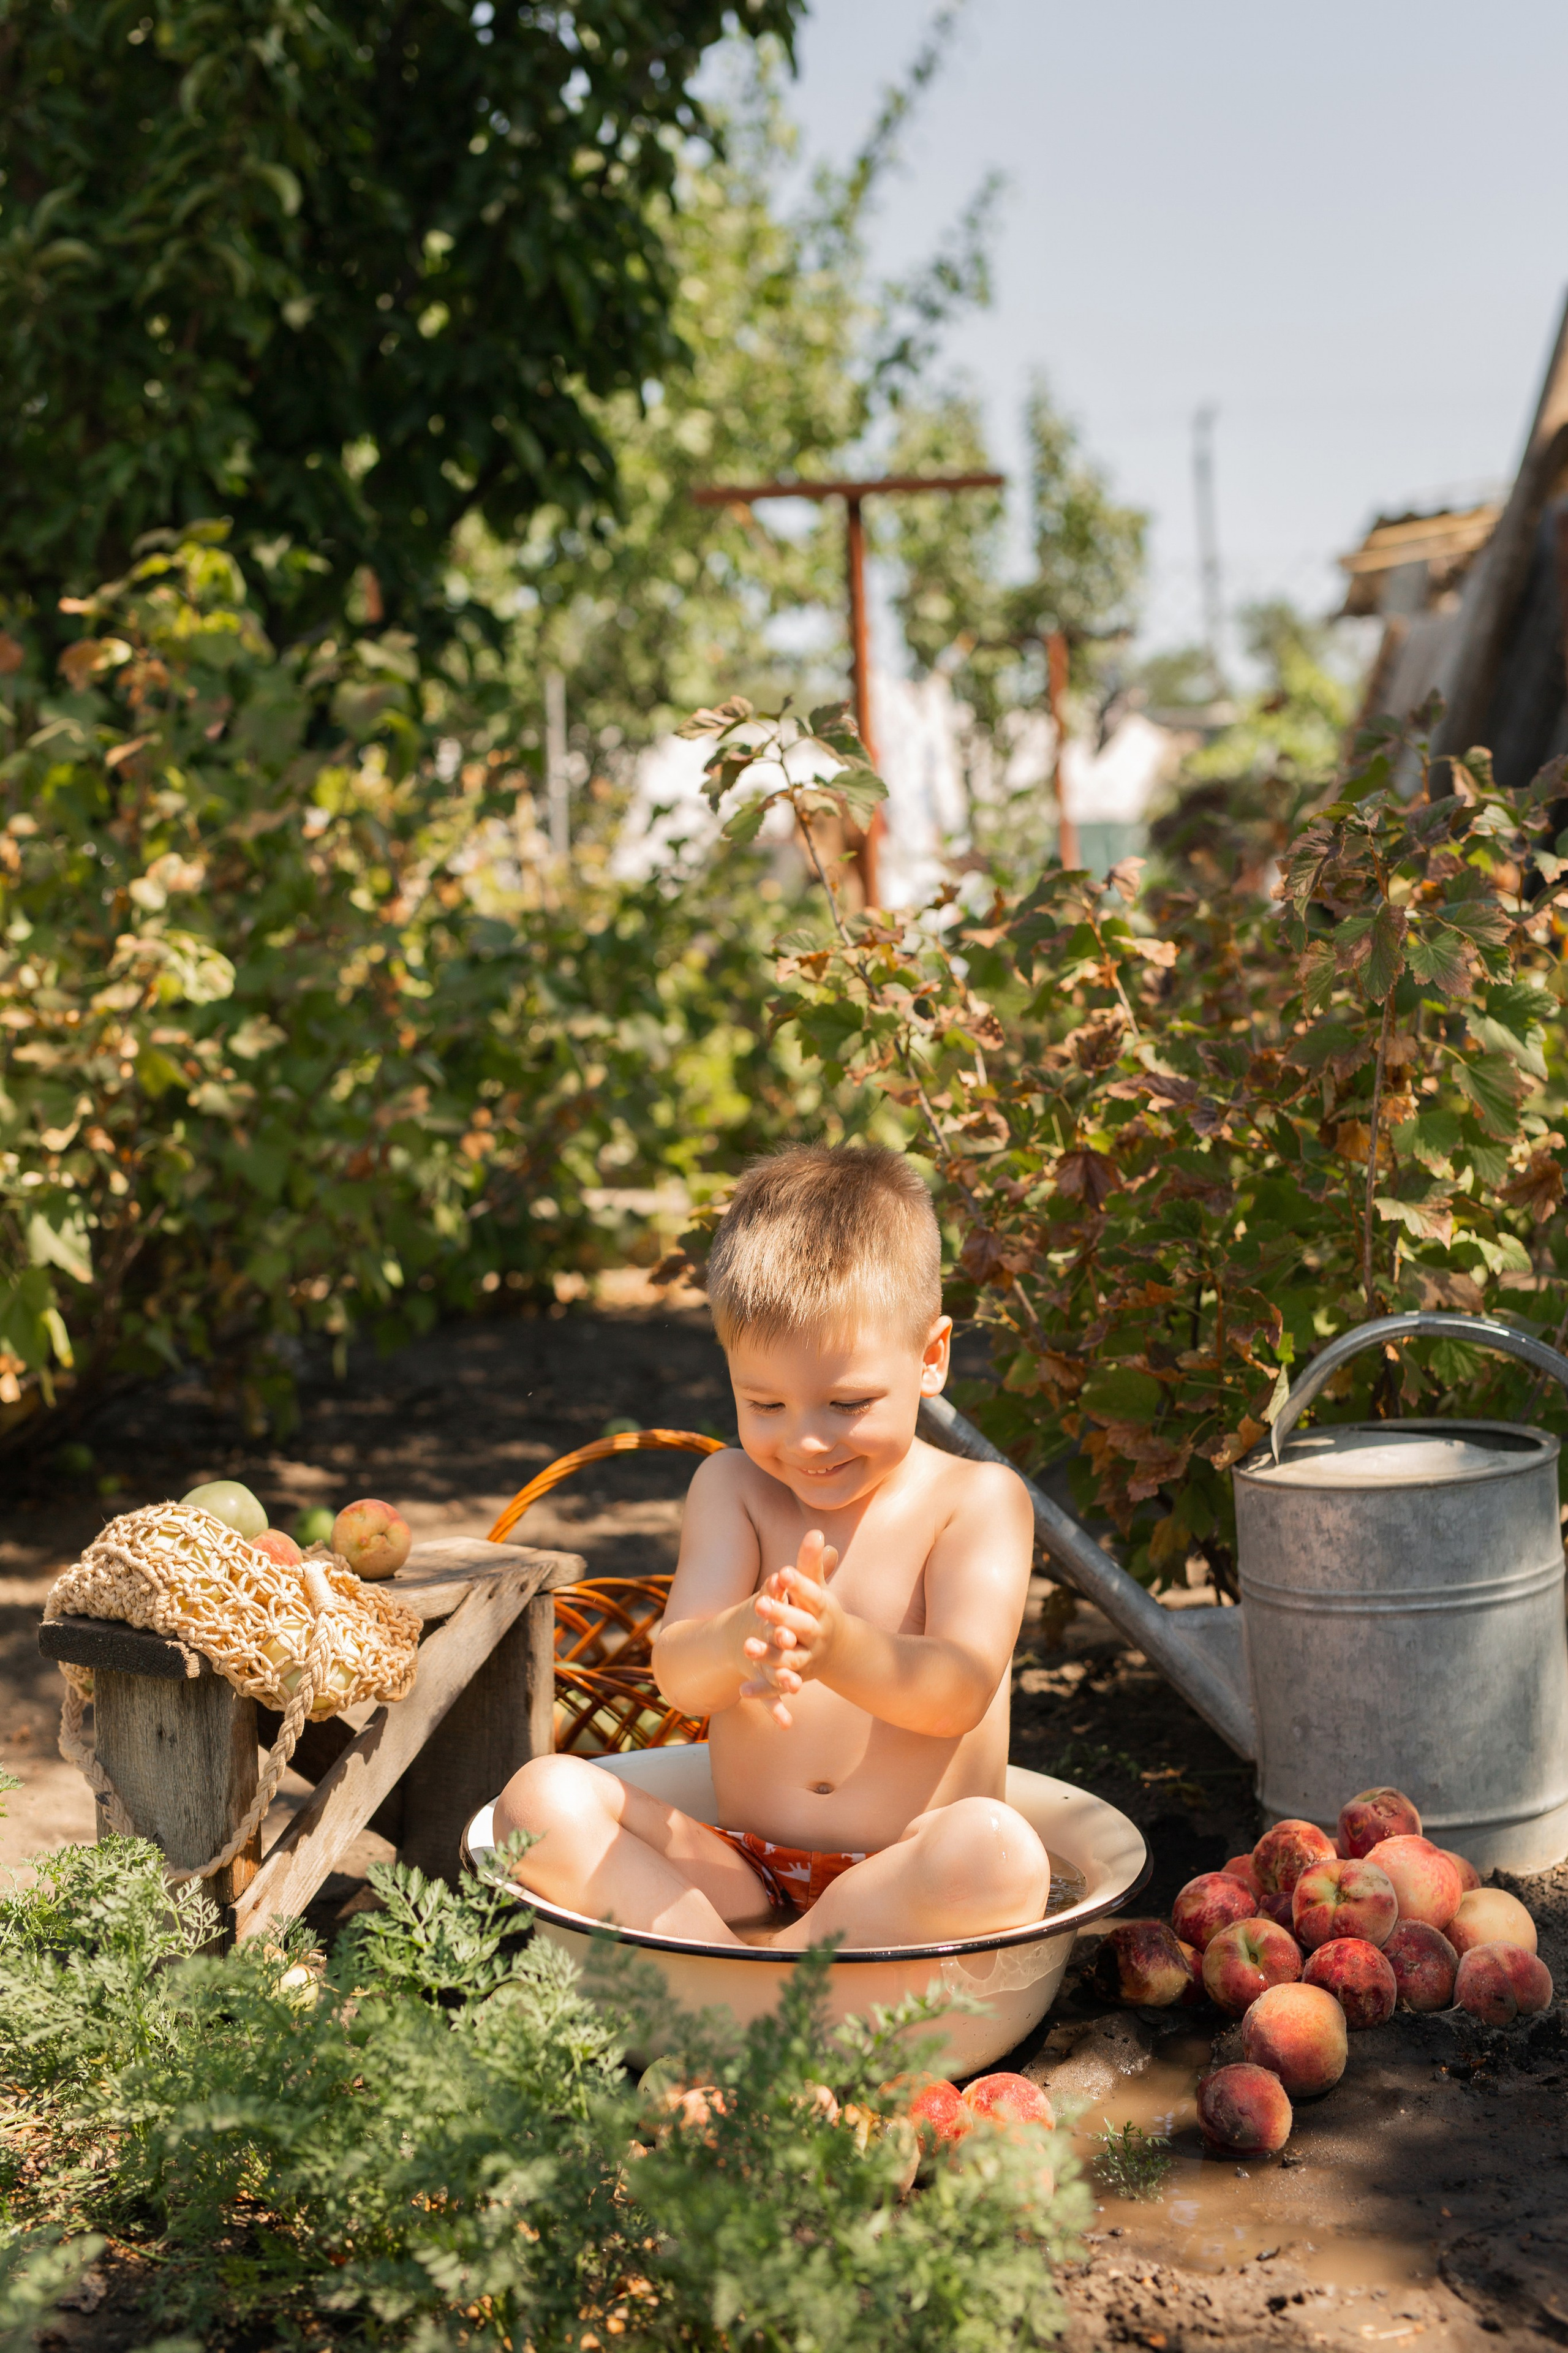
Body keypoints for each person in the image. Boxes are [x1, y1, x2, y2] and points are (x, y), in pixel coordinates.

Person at [494, 1143, 1047, 1948]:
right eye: (766, 1402)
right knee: (538, 1799)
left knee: (1000, 1854)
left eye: (847, 1402)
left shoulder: (976, 1500)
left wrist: (839, 1648)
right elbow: (680, 1677)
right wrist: (735, 1639)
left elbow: (959, 1690)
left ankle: (756, 1978)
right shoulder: (733, 1489)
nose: (807, 1440)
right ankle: (727, 1963)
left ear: (931, 1359)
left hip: (904, 1873)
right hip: (740, 1871)